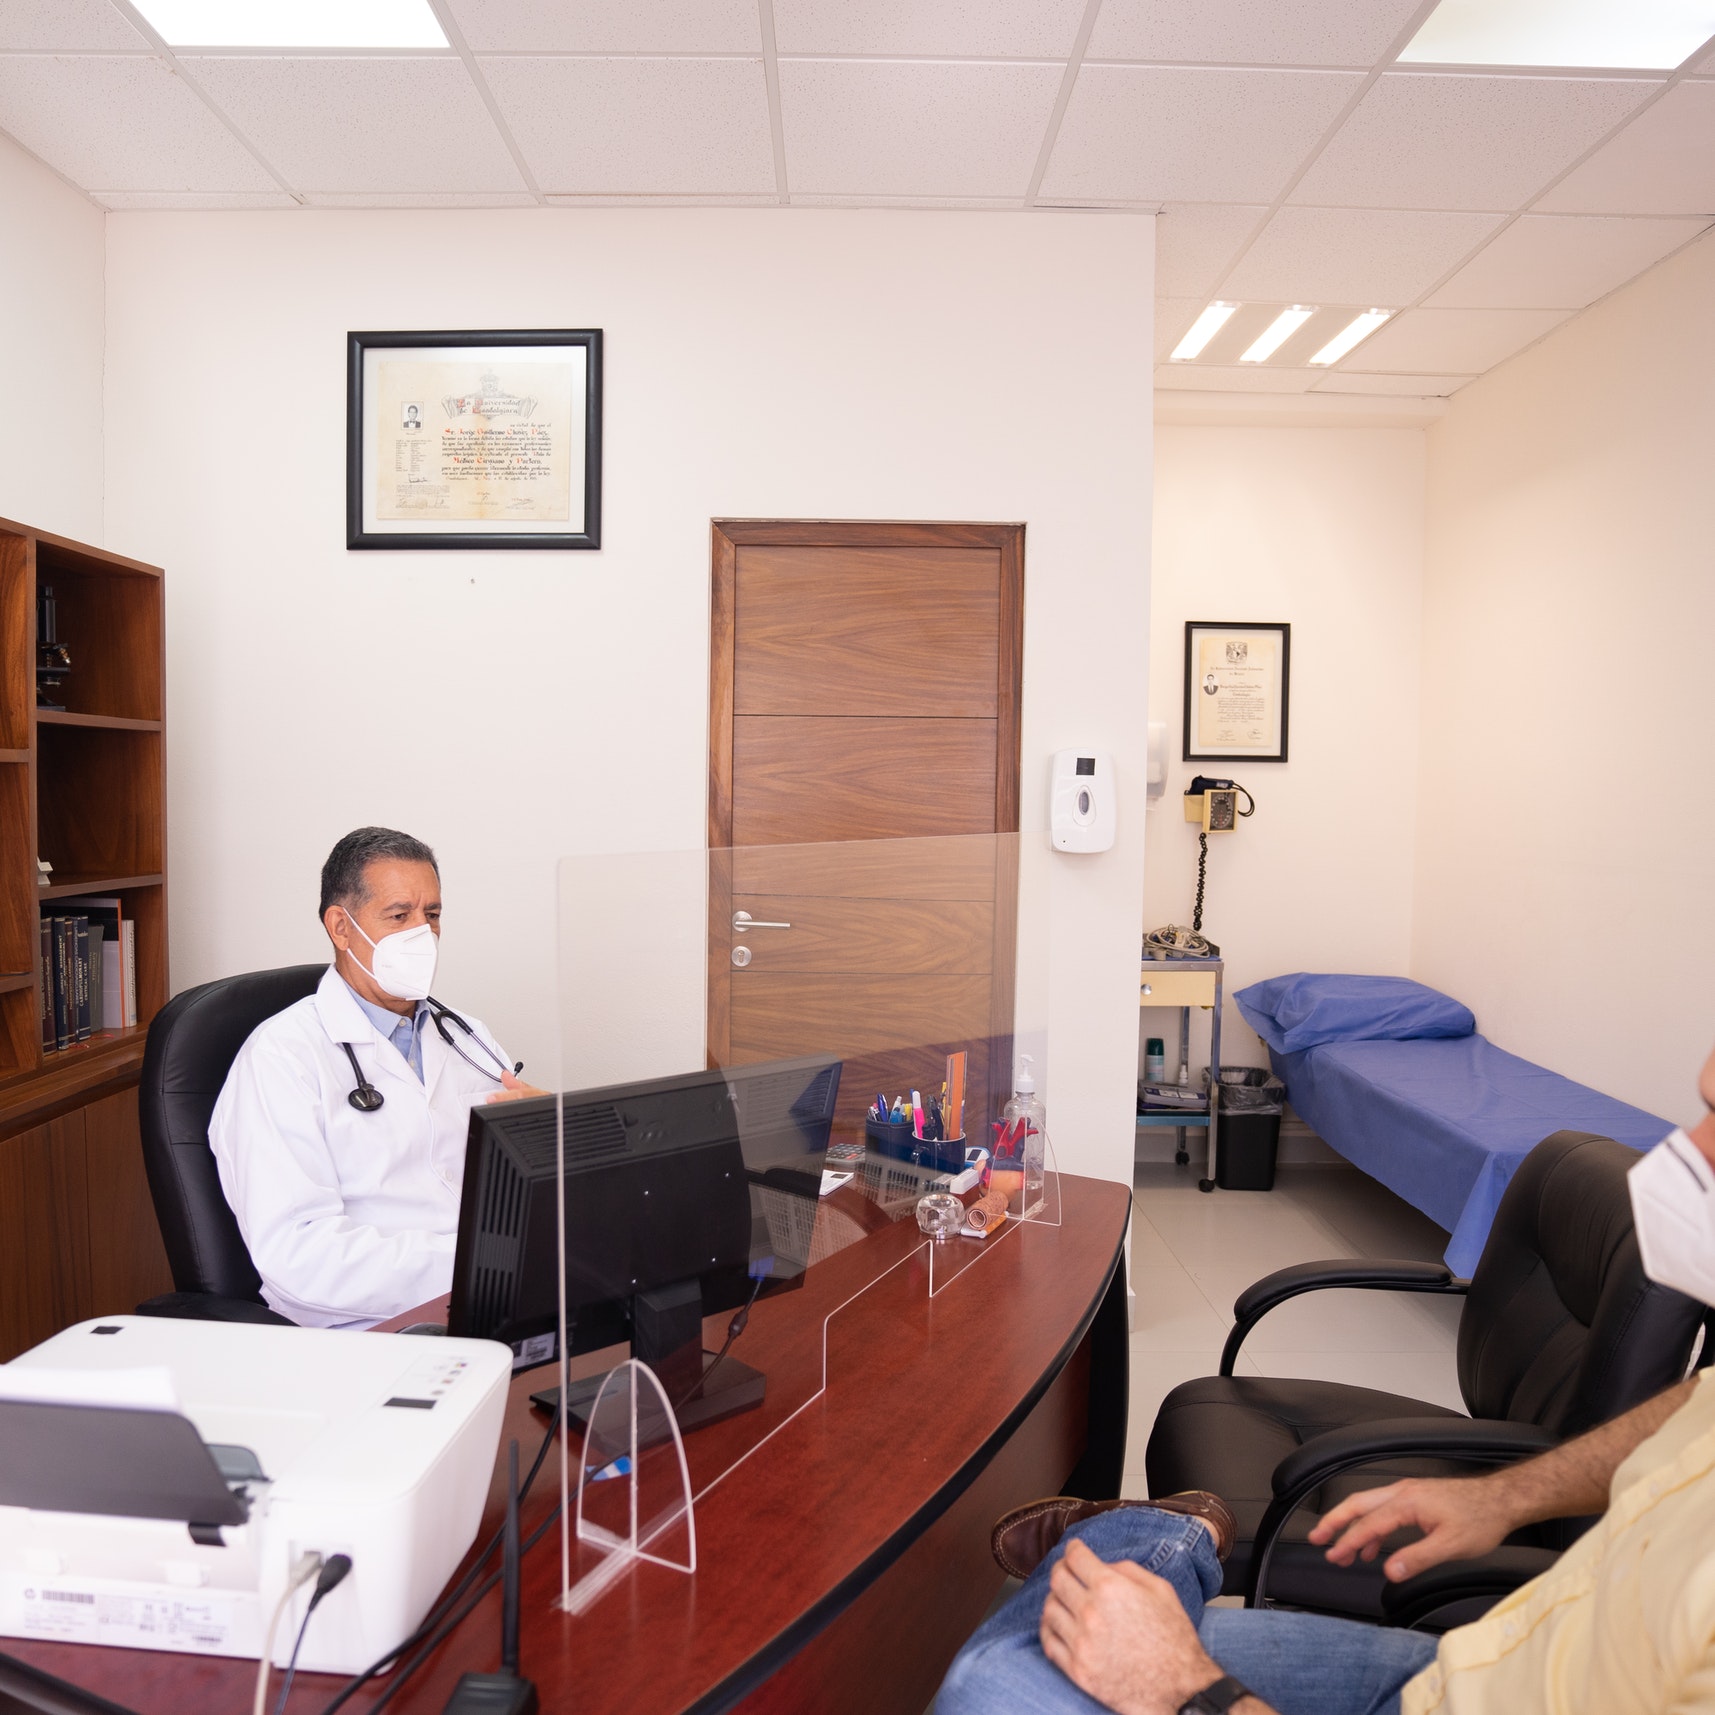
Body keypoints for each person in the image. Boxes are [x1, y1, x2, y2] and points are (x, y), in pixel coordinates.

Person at [935, 1037, 1715, 1715]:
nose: (1686, 1148)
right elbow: (1693, 1406)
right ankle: (1157, 1538)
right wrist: (1502, 1494)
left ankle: (1155, 1534)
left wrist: (1187, 1686)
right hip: (1481, 1668)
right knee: (1031, 1657)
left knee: (991, 1680)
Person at [210, 827, 544, 1329]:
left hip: (495, 1297)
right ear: (341, 928)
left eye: (432, 915)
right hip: (367, 1327)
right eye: (399, 915)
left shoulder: (467, 1036)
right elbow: (299, 1255)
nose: (423, 934)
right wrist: (478, 1265)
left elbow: (512, 1183)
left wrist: (553, 1137)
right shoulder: (281, 1056)